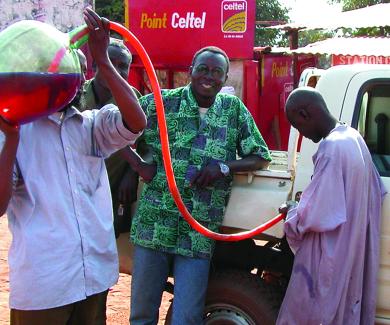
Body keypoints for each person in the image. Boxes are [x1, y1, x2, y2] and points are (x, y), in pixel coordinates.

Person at [0, 8, 146, 325]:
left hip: (94, 277)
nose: (77, 82)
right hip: (44, 287)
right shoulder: (15, 131)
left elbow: (137, 123)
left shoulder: (91, 126)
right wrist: (10, 139)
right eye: (70, 73)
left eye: (82, 74)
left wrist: (104, 62)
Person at [128, 46, 272, 325]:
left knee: (188, 316)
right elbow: (116, 130)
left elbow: (260, 155)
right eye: (203, 69)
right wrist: (135, 166)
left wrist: (224, 167)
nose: (209, 76)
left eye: (217, 72)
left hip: (199, 228)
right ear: (190, 71)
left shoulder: (233, 110)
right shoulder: (160, 102)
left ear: (225, 78)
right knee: (142, 313)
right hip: (155, 222)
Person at [276, 87, 386, 325]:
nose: (302, 134)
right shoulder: (352, 136)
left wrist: (292, 211)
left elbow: (317, 213)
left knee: (316, 311)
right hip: (353, 243)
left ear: (305, 114)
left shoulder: (332, 148)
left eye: (298, 126)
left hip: (333, 252)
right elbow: (377, 190)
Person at [79, 37, 151, 325]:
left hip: (107, 199)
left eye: (124, 66)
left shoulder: (132, 99)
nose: (118, 71)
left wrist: (131, 174)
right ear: (97, 62)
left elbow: (148, 146)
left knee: (99, 268)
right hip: (74, 194)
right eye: (112, 63)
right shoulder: (75, 93)